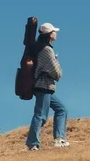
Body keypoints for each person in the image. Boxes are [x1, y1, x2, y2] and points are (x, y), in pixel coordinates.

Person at [25, 22, 70, 151]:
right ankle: (33, 143)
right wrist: (55, 61)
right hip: (43, 86)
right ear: (50, 35)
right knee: (41, 115)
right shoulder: (46, 49)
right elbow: (55, 71)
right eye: (54, 32)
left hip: (43, 86)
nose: (55, 34)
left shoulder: (39, 48)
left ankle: (58, 139)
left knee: (61, 109)